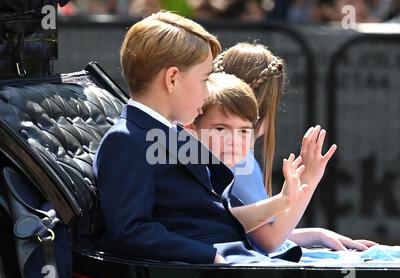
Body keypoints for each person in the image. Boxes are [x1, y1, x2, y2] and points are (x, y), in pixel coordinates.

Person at [92, 11, 309, 265]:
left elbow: (219, 216)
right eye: (204, 80)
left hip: (236, 261)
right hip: (212, 275)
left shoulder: (169, 134)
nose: (207, 94)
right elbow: (130, 231)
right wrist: (211, 257)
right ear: (172, 78)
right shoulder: (126, 141)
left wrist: (283, 201)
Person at [212, 42, 377, 253]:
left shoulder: (220, 150)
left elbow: (253, 230)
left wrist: (317, 234)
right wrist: (309, 178)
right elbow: (269, 241)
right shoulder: (237, 157)